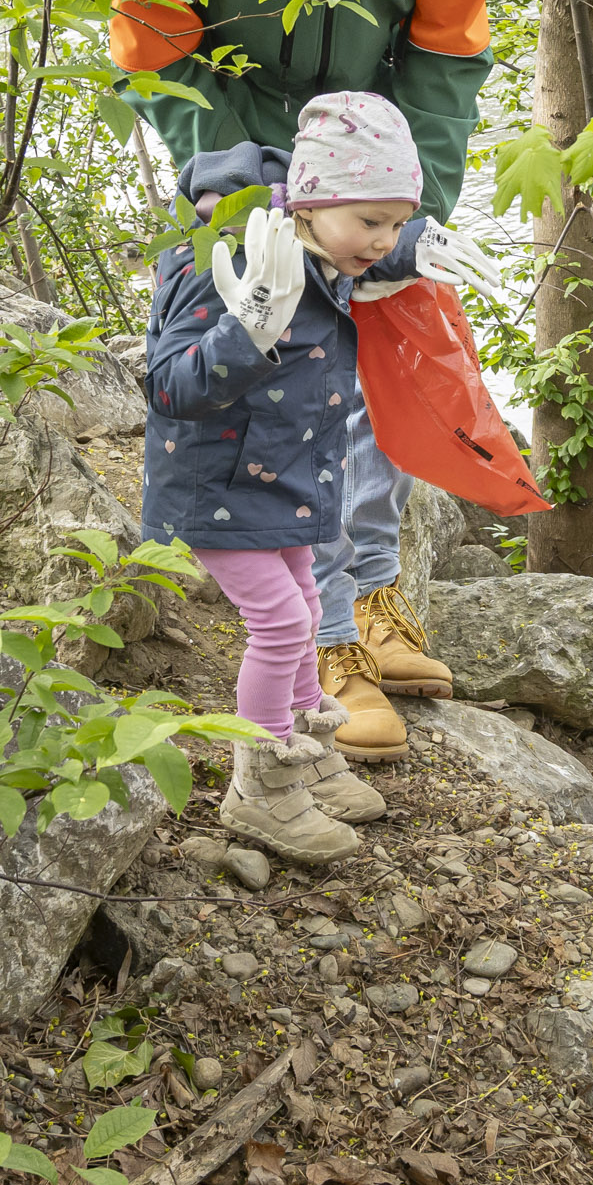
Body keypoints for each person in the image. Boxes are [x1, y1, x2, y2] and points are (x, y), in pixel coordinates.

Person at [110, 0, 500, 759]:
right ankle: (323, 640)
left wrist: (400, 212)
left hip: (371, 140)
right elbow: (156, 48)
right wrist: (250, 193)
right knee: (280, 375)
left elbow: (448, 52)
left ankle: (370, 595)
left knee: (380, 341)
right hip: (231, 132)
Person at [139, 93, 479, 866]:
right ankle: (260, 784)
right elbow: (167, 386)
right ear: (312, 201)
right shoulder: (227, 256)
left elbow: (356, 239)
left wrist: (411, 247)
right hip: (218, 490)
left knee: (305, 606)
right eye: (374, 223)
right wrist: (248, 328)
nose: (382, 240)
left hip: (289, 478)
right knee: (283, 625)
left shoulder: (323, 242)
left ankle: (308, 749)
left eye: (397, 222)